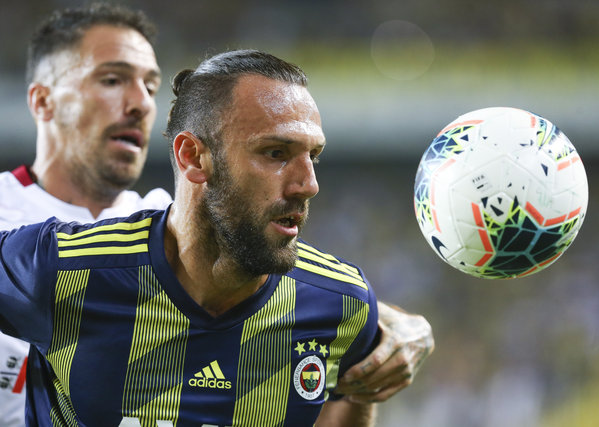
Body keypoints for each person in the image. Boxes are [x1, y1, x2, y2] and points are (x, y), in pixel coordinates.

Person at [0, 3, 433, 425]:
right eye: (112, 79)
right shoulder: (46, 258)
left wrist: (389, 322)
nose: (140, 103)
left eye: (150, 86)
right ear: (41, 100)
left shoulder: (159, 218)